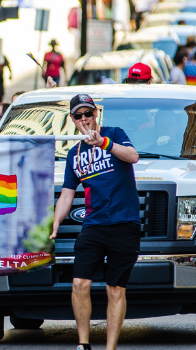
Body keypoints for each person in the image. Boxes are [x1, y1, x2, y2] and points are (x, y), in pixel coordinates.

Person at [51, 94, 140, 350]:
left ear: (95, 114)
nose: (84, 120)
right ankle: (83, 344)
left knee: (115, 289)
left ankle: (110, 347)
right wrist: (56, 223)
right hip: (94, 224)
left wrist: (104, 143)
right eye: (78, 116)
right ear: (72, 120)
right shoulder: (74, 153)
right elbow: (67, 194)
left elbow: (132, 156)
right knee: (79, 283)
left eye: (88, 114)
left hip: (124, 222)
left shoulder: (114, 133)